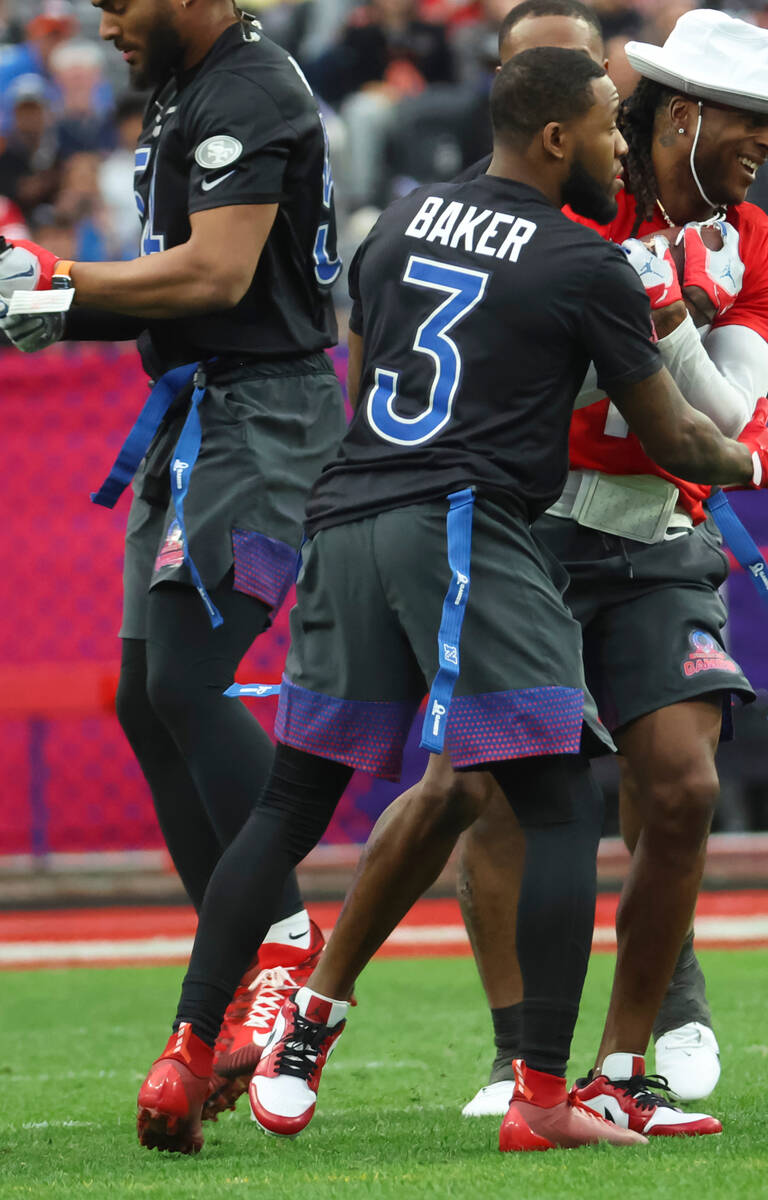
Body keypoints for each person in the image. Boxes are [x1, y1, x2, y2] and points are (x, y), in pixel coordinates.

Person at [129, 45, 768, 1156]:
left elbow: (370, 355)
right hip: (494, 528)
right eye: (603, 123)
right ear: (600, 129)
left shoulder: (407, 220)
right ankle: (485, 1074)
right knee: (518, 796)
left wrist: (673, 334)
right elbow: (683, 423)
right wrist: (741, 447)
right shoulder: (581, 243)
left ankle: (194, 1052)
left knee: (310, 803)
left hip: (464, 520)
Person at [355, 6, 768, 1127]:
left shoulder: (756, 251)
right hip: (529, 522)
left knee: (682, 785)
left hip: (658, 528)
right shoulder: (556, 200)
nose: (765, 145)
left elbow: (720, 412)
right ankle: (502, 1054)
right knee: (481, 793)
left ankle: (618, 1064)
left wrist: (653, 311)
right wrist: (635, 300)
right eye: (748, 120)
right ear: (684, 110)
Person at [0, 0, 346, 1116]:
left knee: (189, 682)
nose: (102, 25)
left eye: (117, 2)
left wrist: (59, 279)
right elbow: (183, 292)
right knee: (150, 698)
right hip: (205, 410)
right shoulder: (188, 90)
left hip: (264, 417)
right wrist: (49, 305)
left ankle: (282, 946)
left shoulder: (244, 88)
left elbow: (218, 278)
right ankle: (245, 968)